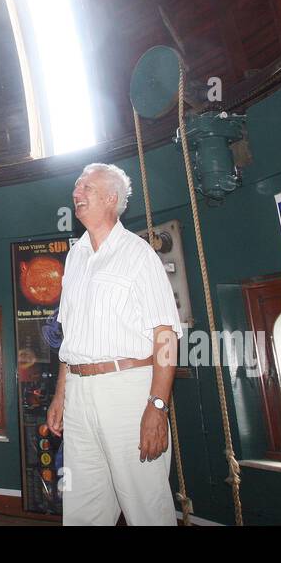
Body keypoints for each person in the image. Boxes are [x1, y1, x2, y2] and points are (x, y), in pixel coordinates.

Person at [46, 162, 183, 526]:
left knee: (146, 506)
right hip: (78, 393)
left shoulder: (139, 255)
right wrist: (61, 395)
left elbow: (165, 336)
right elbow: (69, 335)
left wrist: (157, 406)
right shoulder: (74, 257)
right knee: (82, 508)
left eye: (85, 188)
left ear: (110, 198)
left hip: (128, 390)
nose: (76, 194)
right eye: (76, 188)